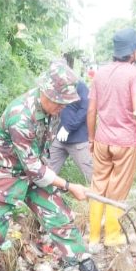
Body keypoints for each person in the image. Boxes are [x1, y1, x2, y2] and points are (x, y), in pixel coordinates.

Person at [0, 61, 108, 271]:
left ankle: (89, 270)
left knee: (59, 215)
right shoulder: (20, 115)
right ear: (46, 93)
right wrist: (70, 186)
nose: (63, 107)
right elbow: (34, 168)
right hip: (3, 172)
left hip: (33, 172)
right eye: (60, 102)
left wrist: (57, 185)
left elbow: (37, 164)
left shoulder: (53, 111)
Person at [86, 28, 136, 247]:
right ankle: (112, 236)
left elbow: (91, 111)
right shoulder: (135, 74)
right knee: (117, 188)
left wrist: (92, 139)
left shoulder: (100, 74)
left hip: (102, 140)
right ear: (131, 52)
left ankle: (94, 237)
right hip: (125, 142)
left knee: (98, 186)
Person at [47, 53, 94, 183]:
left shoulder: (79, 85)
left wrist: (68, 127)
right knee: (47, 173)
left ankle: (105, 199)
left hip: (78, 140)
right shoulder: (52, 87)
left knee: (93, 176)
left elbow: (86, 108)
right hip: (58, 139)